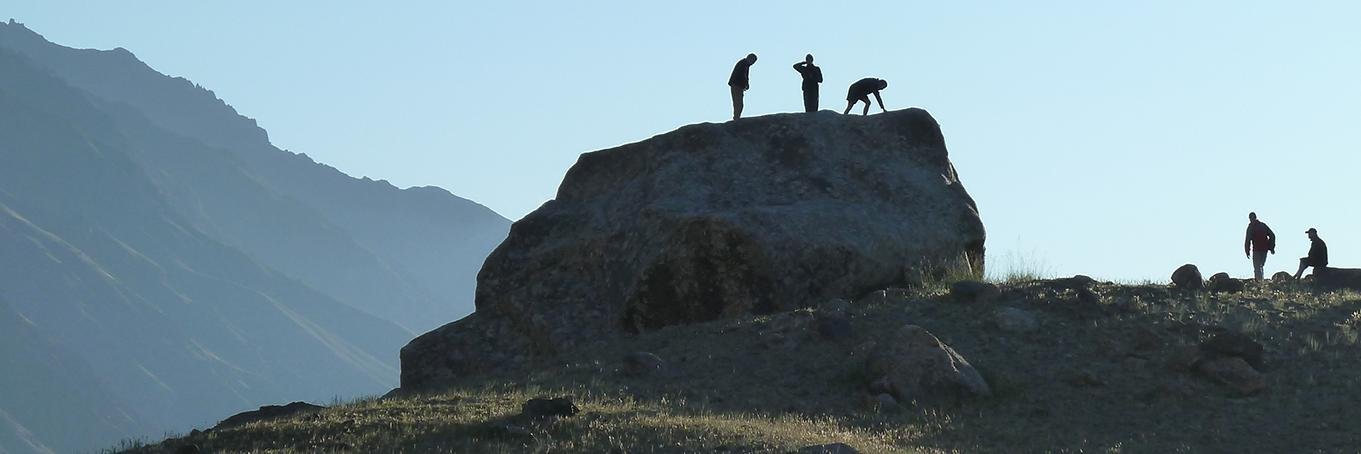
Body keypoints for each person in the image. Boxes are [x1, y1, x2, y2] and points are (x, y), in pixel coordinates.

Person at [1244, 212, 1276, 280]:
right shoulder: (1262, 225)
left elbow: (1247, 240)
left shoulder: (1251, 227)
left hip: (1258, 250)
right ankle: (1261, 282)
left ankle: (1259, 282)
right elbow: (1272, 236)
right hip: (1264, 249)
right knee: (1260, 266)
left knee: (1257, 267)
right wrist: (1271, 248)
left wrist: (1247, 251)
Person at [728, 53, 758, 120]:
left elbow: (745, 76)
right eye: (753, 61)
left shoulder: (746, 65)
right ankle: (736, 118)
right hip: (736, 85)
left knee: (739, 103)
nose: (753, 63)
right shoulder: (743, 64)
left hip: (738, 86)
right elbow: (742, 76)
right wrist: (745, 84)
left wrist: (746, 84)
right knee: (738, 103)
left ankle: (737, 117)